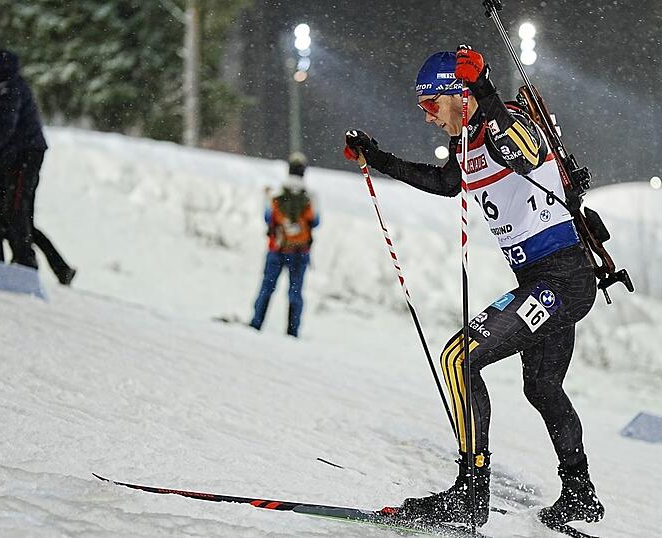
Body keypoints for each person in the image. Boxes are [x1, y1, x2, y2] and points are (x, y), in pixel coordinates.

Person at [344, 47, 603, 529]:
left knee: (459, 358)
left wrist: (483, 84)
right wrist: (376, 157)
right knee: (542, 387)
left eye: (430, 105)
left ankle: (470, 492)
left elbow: (520, 150)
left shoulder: (512, 123)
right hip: (543, 280)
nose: (427, 118)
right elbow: (445, 183)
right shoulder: (468, 145)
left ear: (458, 98)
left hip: (563, 278)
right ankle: (579, 493)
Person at [0, 35, 76, 285]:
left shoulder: (9, 83)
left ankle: (25, 268)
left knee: (15, 213)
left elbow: (5, 126)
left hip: (26, 153)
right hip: (8, 154)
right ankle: (2, 262)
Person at [249, 153, 319, 337]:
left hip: (277, 249)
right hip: (300, 251)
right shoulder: (310, 197)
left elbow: (267, 218)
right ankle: (292, 332)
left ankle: (256, 324)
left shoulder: (277, 193)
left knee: (267, 288)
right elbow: (316, 221)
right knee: (295, 293)